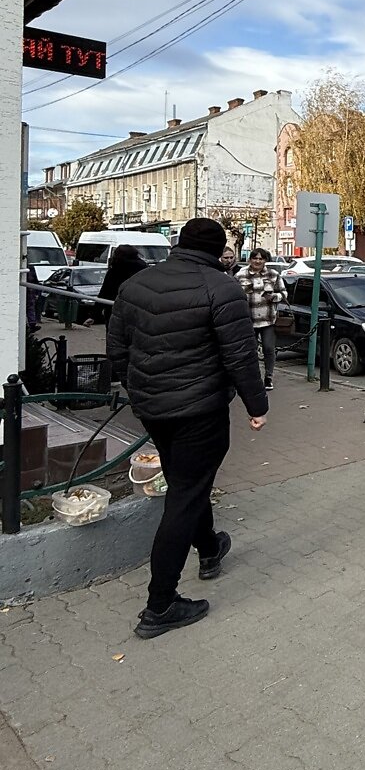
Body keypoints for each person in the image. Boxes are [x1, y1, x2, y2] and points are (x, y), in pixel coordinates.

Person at [107, 217, 268, 639]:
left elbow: (117, 347)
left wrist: (137, 389)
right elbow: (240, 355)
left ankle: (210, 548)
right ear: (217, 251)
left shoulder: (137, 284)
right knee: (186, 493)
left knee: (188, 481)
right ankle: (160, 604)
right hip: (200, 409)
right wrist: (257, 405)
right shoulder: (221, 287)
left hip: (154, 408)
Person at [237, 247, 287, 390]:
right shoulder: (241, 275)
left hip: (268, 319)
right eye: (255, 258)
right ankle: (253, 378)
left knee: (269, 348)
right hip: (249, 319)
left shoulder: (273, 274)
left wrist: (274, 297)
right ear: (250, 259)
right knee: (250, 351)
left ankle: (269, 377)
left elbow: (284, 294)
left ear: (265, 260)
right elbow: (234, 296)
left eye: (261, 258)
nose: (258, 261)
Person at [97, 244, 147, 324]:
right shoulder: (144, 270)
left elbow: (104, 293)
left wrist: (94, 314)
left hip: (114, 310)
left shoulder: (114, 272)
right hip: (138, 311)